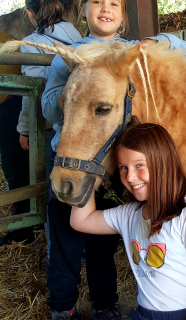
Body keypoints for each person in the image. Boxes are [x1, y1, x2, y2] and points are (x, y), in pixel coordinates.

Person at [39, 0, 186, 320]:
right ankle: (62, 312)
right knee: (64, 238)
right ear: (84, 11)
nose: (105, 8)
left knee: (103, 241)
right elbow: (49, 106)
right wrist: (77, 83)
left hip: (111, 164)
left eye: (114, 4)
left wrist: (156, 42)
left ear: (123, 17)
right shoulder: (69, 54)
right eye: (97, 2)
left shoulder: (131, 54)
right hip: (70, 159)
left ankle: (104, 307)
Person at [57, 123, 186, 320]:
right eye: (122, 168)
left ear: (163, 163)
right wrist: (90, 164)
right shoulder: (130, 214)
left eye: (140, 165)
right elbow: (80, 220)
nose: (130, 177)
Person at [17, 0, 82, 266]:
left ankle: (55, 252)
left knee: (53, 190)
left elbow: (31, 93)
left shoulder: (30, 42)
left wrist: (24, 130)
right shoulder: (81, 38)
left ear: (30, 14)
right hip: (85, 129)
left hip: (51, 127)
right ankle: (84, 246)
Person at [0, 31, 31, 246]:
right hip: (11, 103)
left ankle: (22, 229)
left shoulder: (5, 40)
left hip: (10, 103)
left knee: (14, 167)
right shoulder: (6, 37)